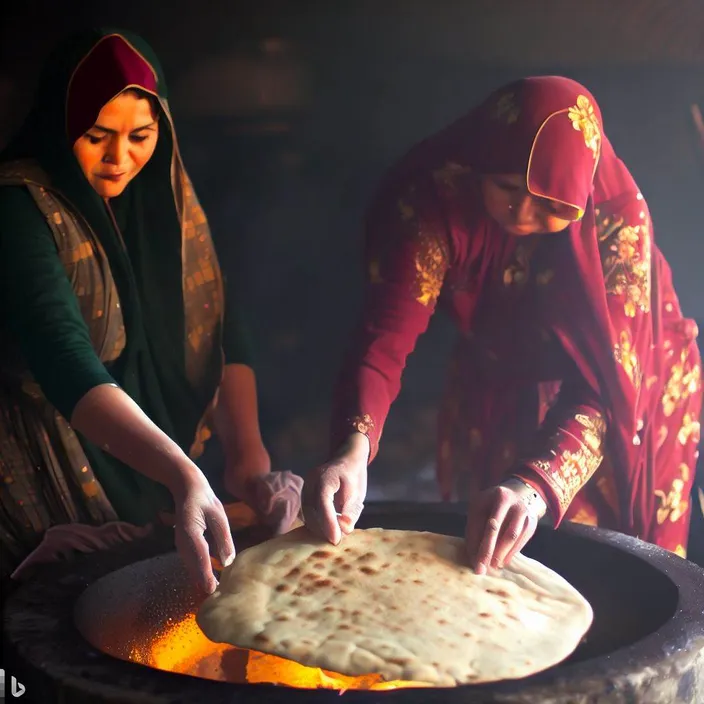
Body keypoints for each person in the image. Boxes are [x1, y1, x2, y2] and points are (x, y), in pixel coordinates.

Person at [303, 76, 702, 573]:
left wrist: (533, 486)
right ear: (481, 162)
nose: (522, 212)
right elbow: (385, 337)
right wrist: (352, 449)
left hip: (633, 381)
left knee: (599, 557)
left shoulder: (616, 223)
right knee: (498, 541)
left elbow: (605, 385)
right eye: (507, 187)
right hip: (503, 367)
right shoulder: (435, 202)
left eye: (553, 206)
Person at [0, 29, 302, 593]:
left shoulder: (161, 192)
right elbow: (63, 356)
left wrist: (247, 452)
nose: (120, 159)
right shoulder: (19, 210)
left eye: (140, 135)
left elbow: (218, 316)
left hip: (156, 466)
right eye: (96, 136)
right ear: (60, 125)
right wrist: (183, 474)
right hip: (54, 461)